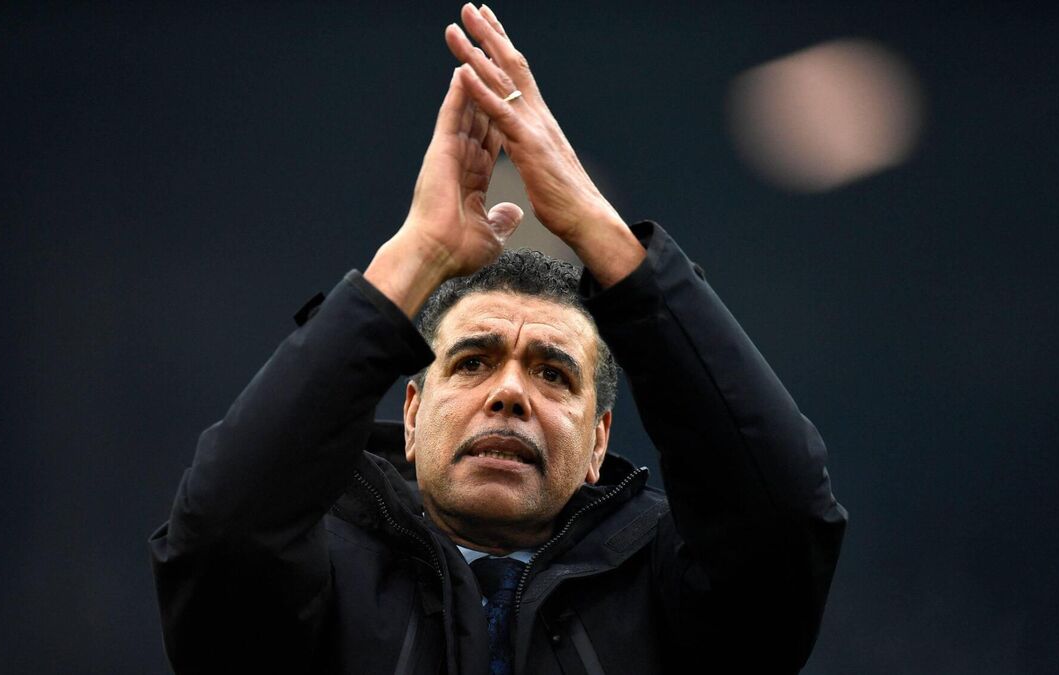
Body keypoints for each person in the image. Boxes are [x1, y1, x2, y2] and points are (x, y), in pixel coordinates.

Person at [149, 4, 847, 674]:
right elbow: (220, 535)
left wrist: (604, 234)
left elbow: (785, 524)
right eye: (472, 361)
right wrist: (415, 255)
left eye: (553, 374)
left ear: (599, 443)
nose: (509, 393)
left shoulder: (671, 593)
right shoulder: (318, 577)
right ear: (412, 416)